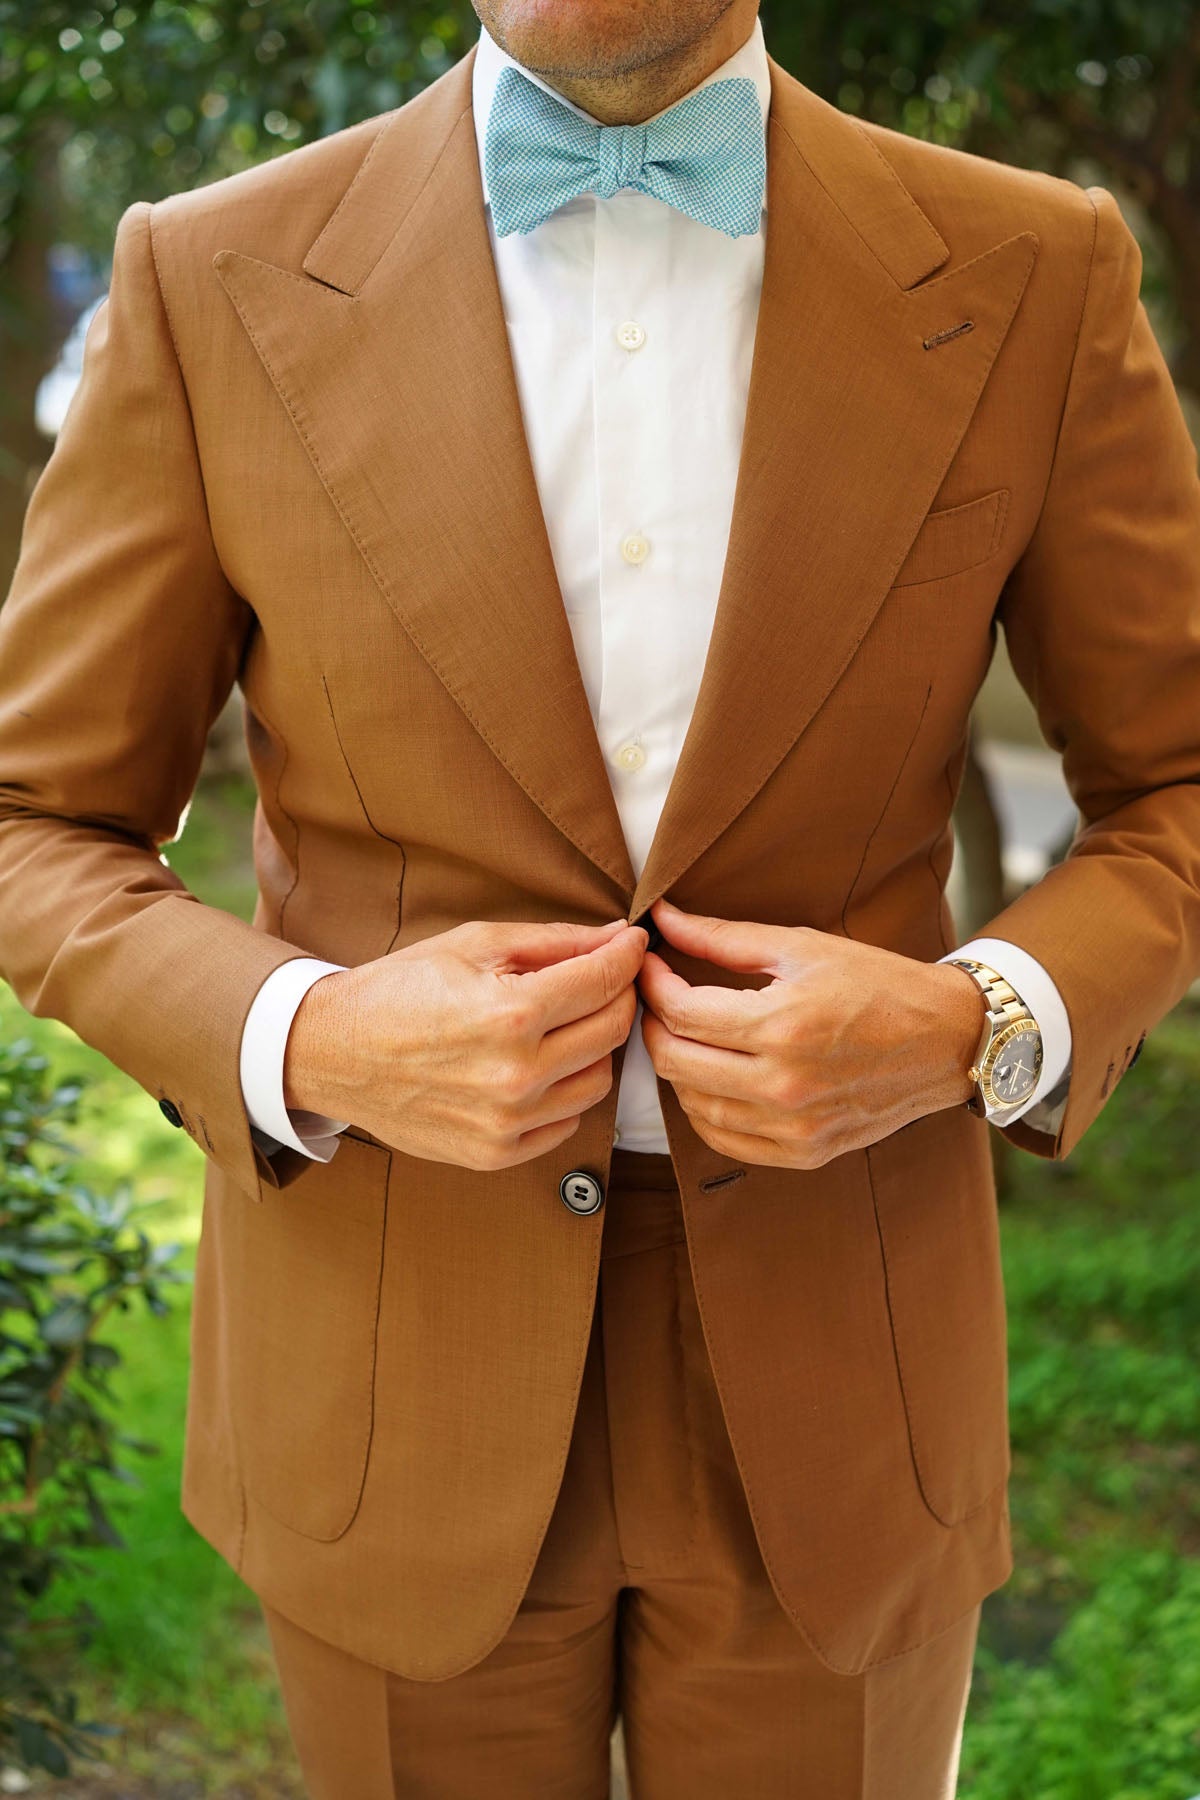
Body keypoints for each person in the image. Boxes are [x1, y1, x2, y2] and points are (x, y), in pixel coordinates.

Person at [1, 0, 1198, 1793]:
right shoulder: (209, 275)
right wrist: (309, 1035)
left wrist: (974, 1021)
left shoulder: (1034, 270)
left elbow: (1174, 785)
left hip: (844, 1375)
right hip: (388, 1374)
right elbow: (37, 821)